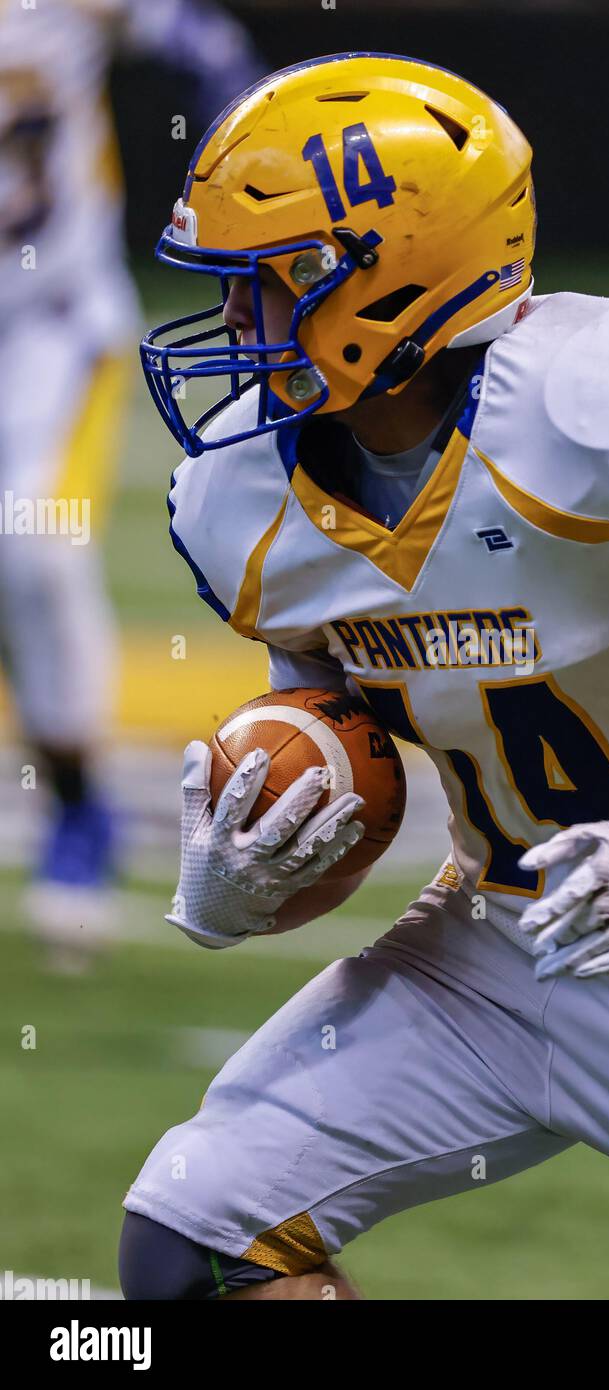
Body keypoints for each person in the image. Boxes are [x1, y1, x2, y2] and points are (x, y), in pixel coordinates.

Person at [119, 53, 609, 1300]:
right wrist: (246, 885)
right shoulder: (246, 505)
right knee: (192, 1247)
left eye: (272, 282)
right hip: (495, 961)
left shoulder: (594, 414)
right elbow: (337, 759)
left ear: (391, 282)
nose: (234, 323)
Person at [0, 0, 260, 970]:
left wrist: (240, 154)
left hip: (46, 326)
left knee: (32, 549)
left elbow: (202, 43)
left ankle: (79, 817)